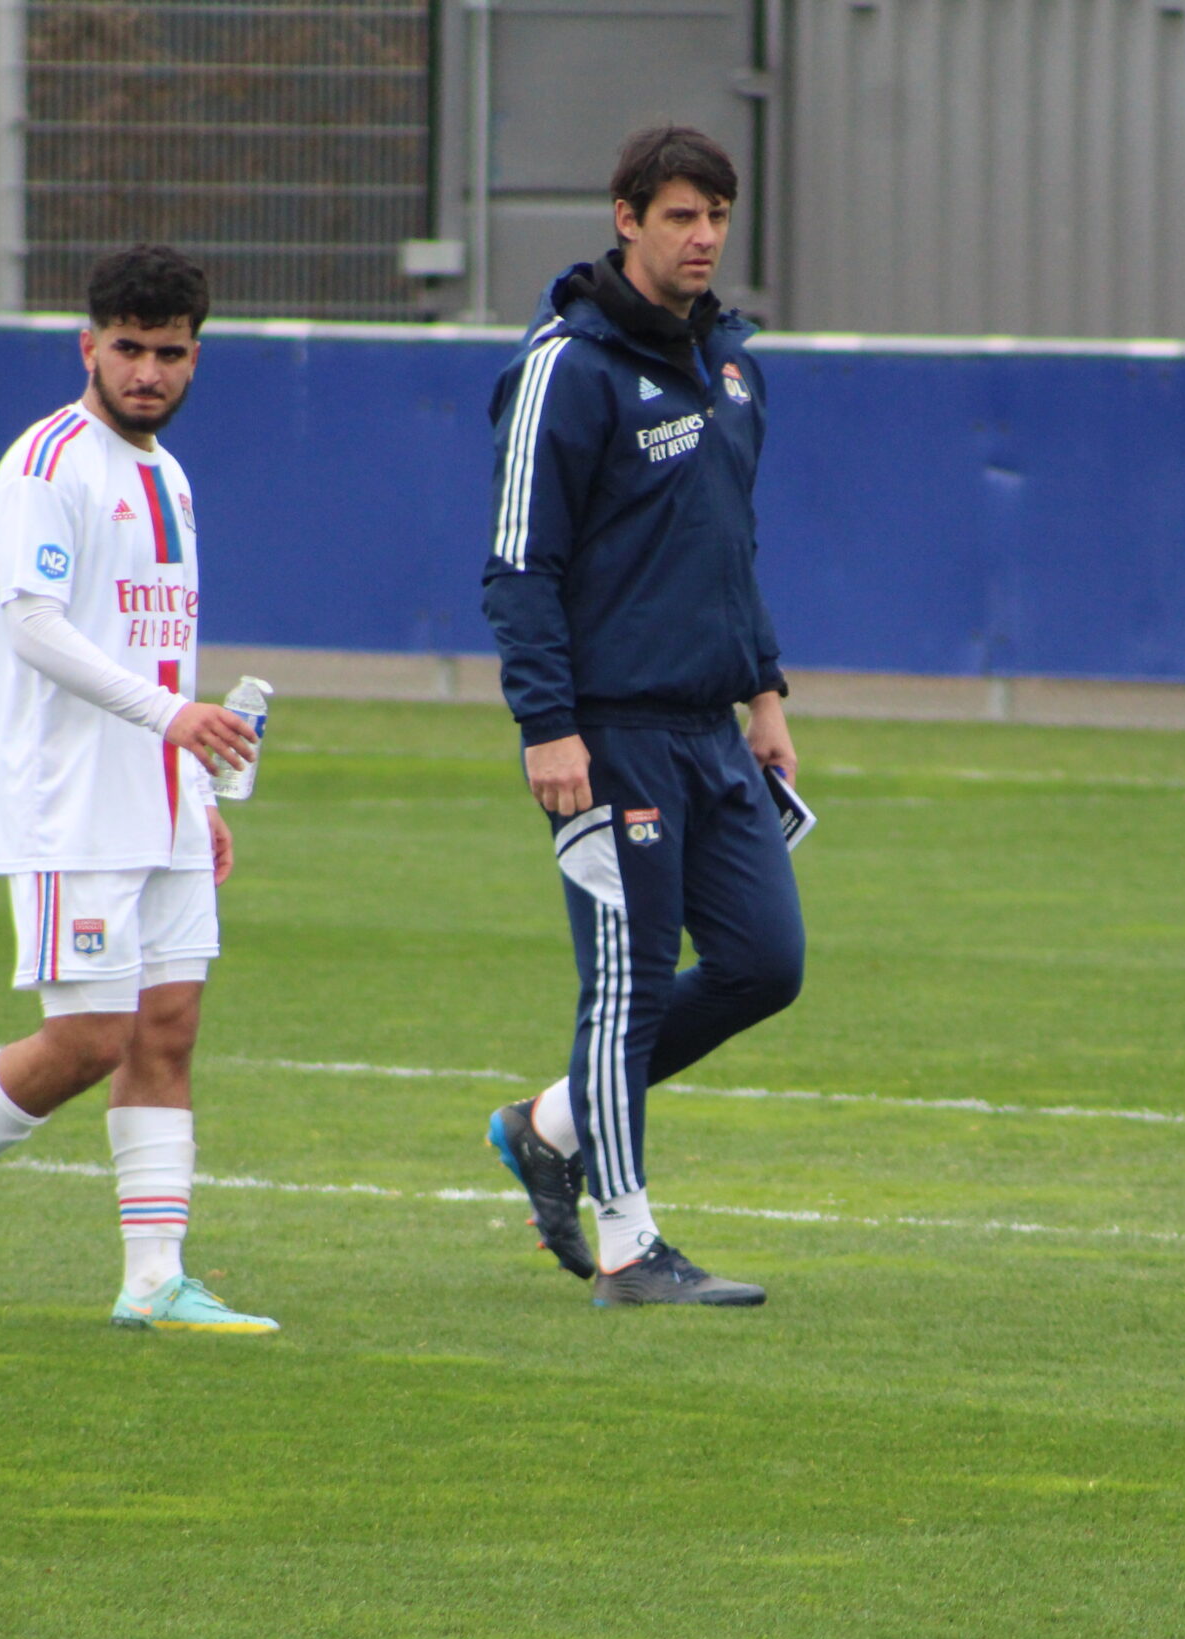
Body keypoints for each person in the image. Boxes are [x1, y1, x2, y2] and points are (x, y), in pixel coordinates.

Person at [0, 245, 276, 1335]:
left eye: (169, 353)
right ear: (87, 346)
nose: (147, 371)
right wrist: (172, 722)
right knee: (90, 1040)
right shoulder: (48, 462)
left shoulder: (169, 473)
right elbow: (34, 628)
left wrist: (202, 790)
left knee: (169, 1029)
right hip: (71, 797)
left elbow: (161, 646)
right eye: (127, 349)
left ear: (195, 358)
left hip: (163, 792)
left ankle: (152, 1280)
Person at [479, 125, 804, 1308]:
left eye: (717, 213)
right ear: (626, 218)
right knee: (621, 986)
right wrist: (546, 723)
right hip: (609, 731)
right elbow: (518, 566)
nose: (704, 236)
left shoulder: (732, 361)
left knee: (766, 964)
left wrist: (763, 692)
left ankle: (547, 1126)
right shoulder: (570, 367)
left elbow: (730, 545)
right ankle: (628, 1247)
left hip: (713, 730)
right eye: (679, 215)